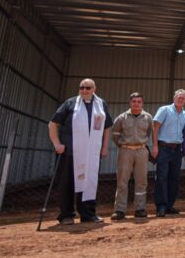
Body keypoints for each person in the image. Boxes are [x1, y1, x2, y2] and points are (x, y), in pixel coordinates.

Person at [48, 78, 112, 225]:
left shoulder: (101, 105)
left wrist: (104, 146)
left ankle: (88, 214)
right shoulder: (70, 104)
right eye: (81, 87)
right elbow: (52, 124)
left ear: (94, 89)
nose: (84, 90)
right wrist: (57, 143)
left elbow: (107, 126)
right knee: (67, 183)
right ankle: (66, 215)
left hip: (91, 153)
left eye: (88, 88)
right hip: (70, 152)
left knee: (89, 181)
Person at [111, 92, 153, 220]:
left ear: (142, 103)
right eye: (134, 101)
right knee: (122, 180)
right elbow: (115, 135)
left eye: (139, 101)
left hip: (141, 151)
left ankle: (140, 209)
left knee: (141, 181)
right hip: (126, 151)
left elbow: (149, 133)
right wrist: (123, 146)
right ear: (130, 103)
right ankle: (119, 210)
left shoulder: (148, 118)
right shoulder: (121, 118)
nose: (136, 104)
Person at [152, 89, 185, 217]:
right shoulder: (164, 110)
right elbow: (155, 126)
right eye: (179, 97)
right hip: (163, 148)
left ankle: (169, 205)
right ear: (174, 98)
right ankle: (161, 206)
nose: (180, 99)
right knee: (162, 177)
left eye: (183, 98)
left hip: (177, 150)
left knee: (174, 178)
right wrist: (155, 146)